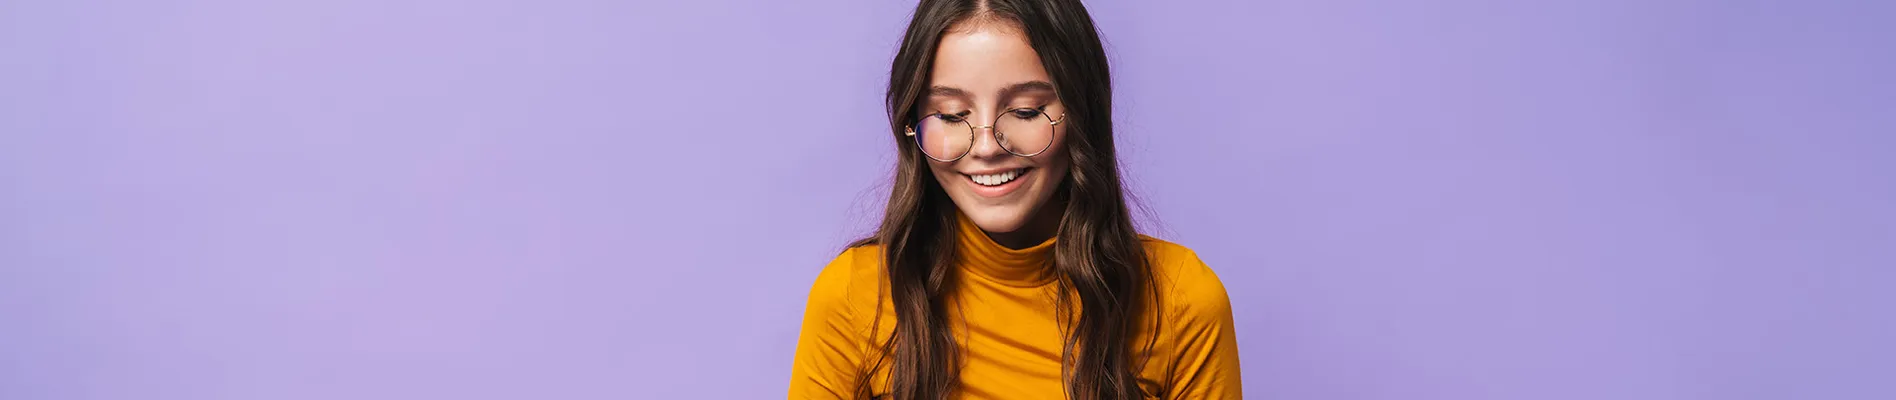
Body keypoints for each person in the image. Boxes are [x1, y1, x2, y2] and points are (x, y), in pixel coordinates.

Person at [788, 0, 1241, 398]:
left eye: (1025, 111)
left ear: (1081, 113)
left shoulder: (1182, 302)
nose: (987, 146)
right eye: (949, 115)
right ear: (913, 125)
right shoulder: (853, 298)